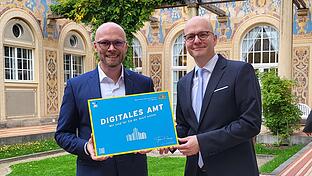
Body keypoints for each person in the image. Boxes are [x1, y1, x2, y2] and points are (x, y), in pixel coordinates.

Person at [55, 22, 154, 176]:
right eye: (105, 43)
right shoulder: (76, 86)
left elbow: (151, 126)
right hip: (93, 171)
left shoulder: (143, 83)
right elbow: (62, 134)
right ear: (95, 46)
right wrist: (86, 147)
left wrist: (151, 140)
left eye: (117, 43)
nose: (112, 48)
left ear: (125, 46)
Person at [174, 16, 262, 176]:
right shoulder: (183, 83)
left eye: (203, 34)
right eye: (190, 37)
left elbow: (251, 123)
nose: (196, 40)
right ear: (185, 42)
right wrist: (165, 140)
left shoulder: (240, 71)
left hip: (234, 169)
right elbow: (184, 126)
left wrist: (202, 142)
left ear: (214, 39)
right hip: (195, 171)